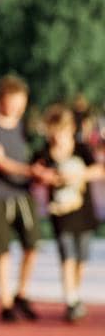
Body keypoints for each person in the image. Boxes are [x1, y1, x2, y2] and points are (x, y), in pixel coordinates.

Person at [0, 76, 55, 323]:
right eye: (14, 101)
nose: (17, 107)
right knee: (3, 251)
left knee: (32, 245)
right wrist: (29, 171)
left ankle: (22, 293)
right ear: (2, 99)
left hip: (23, 194)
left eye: (21, 102)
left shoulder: (24, 128)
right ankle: (6, 302)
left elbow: (35, 157)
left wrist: (42, 172)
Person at [34, 105, 102, 322]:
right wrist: (47, 177)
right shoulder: (44, 153)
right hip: (60, 213)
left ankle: (75, 293)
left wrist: (77, 174)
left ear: (70, 129)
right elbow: (34, 172)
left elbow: (99, 170)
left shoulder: (81, 149)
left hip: (83, 211)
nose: (57, 136)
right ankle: (71, 299)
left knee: (81, 259)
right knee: (67, 257)